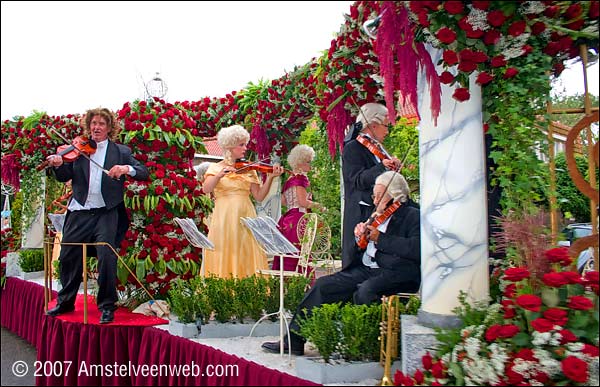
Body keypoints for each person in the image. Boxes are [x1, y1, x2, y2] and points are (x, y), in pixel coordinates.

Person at [262, 171, 420, 355]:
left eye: (380, 196)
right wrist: (359, 236)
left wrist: (381, 239)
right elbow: (361, 249)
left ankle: (367, 347)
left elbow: (415, 249)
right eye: (374, 195)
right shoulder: (377, 215)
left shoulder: (413, 215)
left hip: (396, 272)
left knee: (365, 290)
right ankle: (294, 340)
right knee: (323, 285)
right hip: (368, 268)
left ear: (396, 196)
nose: (375, 201)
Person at [45, 107, 149, 324]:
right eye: (93, 123)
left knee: (106, 258)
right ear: (88, 126)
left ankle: (107, 307)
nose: (96, 127)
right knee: (68, 257)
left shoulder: (120, 151)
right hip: (79, 210)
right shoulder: (78, 149)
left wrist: (125, 168)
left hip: (106, 211)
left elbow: (143, 172)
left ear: (109, 128)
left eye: (101, 123)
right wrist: (57, 165)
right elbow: (64, 174)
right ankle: (65, 302)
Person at [202, 125, 284, 278]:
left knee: (246, 250)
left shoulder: (250, 169)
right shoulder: (215, 168)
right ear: (230, 146)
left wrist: (271, 177)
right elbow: (206, 189)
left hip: (246, 216)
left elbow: (259, 196)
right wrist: (219, 175)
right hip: (224, 218)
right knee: (225, 250)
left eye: (245, 144)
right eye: (241, 145)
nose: (246, 148)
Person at [341, 102, 401, 270]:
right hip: (362, 212)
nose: (387, 131)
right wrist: (382, 167)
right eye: (385, 126)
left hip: (379, 213)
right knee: (357, 265)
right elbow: (357, 180)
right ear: (373, 125)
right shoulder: (353, 148)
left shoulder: (378, 149)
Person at [273, 144, 324, 272]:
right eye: (308, 161)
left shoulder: (290, 179)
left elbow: (284, 201)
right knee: (300, 254)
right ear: (300, 163)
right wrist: (319, 206)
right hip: (298, 220)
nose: (310, 165)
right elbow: (302, 202)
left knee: (288, 254)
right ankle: (300, 285)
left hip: (287, 220)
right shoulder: (300, 179)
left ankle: (285, 284)